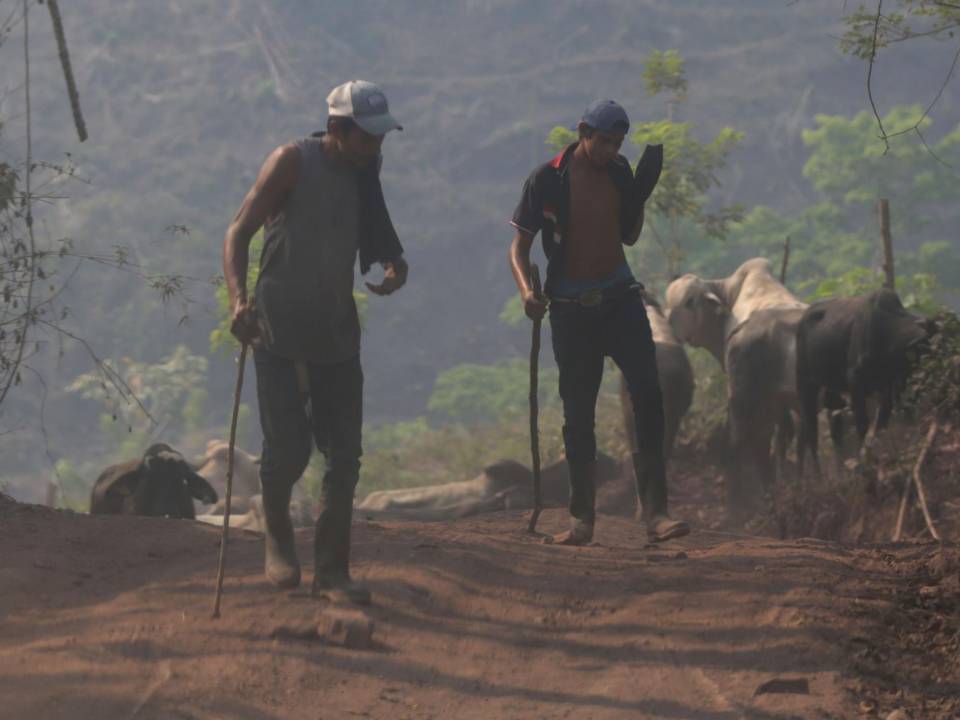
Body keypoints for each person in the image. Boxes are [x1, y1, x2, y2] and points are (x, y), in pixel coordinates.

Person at [223, 80, 408, 604]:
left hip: (336, 332)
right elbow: (238, 232)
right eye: (367, 137)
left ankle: (332, 572)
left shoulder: (364, 169)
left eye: (380, 138)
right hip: (277, 328)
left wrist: (395, 265)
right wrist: (239, 301)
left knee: (344, 455)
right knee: (289, 450)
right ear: (336, 129)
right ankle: (277, 527)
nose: (375, 147)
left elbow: (375, 227)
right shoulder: (292, 162)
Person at [508, 99, 689, 546]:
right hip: (570, 307)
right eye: (603, 141)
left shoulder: (621, 172)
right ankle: (582, 520)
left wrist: (640, 194)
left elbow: (628, 235)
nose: (609, 150)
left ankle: (656, 514)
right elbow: (520, 246)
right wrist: (527, 292)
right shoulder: (548, 178)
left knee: (648, 395)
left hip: (621, 298)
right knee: (578, 412)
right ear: (583, 131)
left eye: (617, 143)